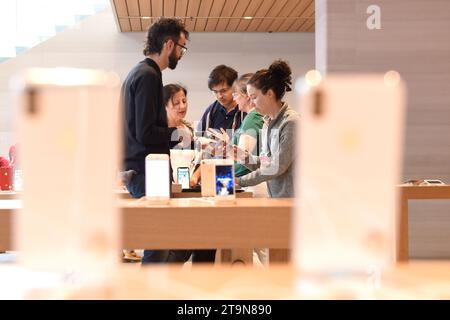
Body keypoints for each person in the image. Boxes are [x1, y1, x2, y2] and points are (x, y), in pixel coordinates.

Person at [121, 17, 191, 264]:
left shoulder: (141, 72)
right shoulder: (148, 75)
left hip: (144, 170)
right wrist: (178, 135)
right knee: (158, 247)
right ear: (169, 45)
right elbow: (146, 133)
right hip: (145, 171)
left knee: (162, 246)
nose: (181, 54)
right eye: (182, 47)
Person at [235, 59, 299, 199]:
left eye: (254, 97)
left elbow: (276, 167)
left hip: (293, 202)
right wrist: (242, 156)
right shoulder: (267, 123)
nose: (251, 103)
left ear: (269, 93)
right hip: (276, 199)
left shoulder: (291, 123)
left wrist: (239, 181)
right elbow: (266, 162)